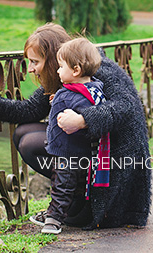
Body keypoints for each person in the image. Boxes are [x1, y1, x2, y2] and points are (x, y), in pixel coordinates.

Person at [0, 23, 152, 229]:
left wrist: (82, 119)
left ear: (52, 59)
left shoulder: (97, 69)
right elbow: (29, 110)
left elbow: (126, 106)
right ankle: (72, 201)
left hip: (113, 176)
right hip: (90, 155)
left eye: (35, 61)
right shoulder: (65, 74)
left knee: (31, 142)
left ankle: (81, 206)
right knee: (23, 133)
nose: (30, 69)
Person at [37, 37, 104, 234]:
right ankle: (70, 215)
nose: (57, 71)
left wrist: (76, 117)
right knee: (71, 186)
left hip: (69, 153)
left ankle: (54, 220)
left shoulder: (83, 97)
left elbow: (85, 113)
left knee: (62, 186)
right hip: (71, 152)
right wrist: (56, 100)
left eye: (60, 67)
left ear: (75, 70)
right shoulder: (83, 89)